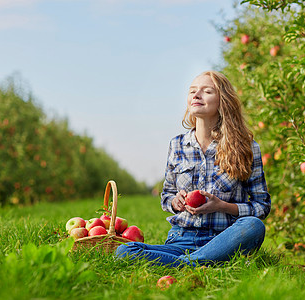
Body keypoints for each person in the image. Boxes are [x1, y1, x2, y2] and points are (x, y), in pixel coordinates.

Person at [115, 70, 271, 267]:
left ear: (223, 101)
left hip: (224, 240)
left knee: (254, 226)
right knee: (124, 251)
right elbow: (167, 196)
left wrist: (222, 206)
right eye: (192, 91)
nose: (196, 95)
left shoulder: (246, 147)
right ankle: (195, 263)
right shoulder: (177, 145)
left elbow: (262, 206)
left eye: (206, 91)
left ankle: (184, 264)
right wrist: (175, 202)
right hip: (182, 239)